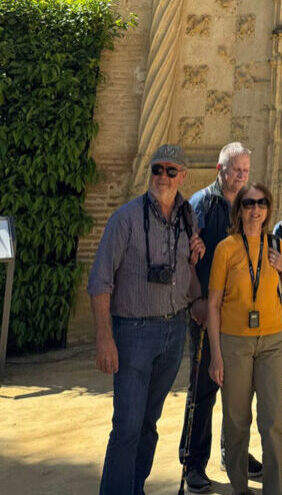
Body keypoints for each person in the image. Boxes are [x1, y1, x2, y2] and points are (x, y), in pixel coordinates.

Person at [88, 144, 205, 495]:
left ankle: (133, 487)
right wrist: (104, 337)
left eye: (171, 171)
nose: (163, 177)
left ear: (183, 176)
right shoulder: (125, 218)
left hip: (173, 331)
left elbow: (185, 271)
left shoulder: (187, 218)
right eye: (158, 169)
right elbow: (100, 279)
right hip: (133, 333)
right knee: (126, 425)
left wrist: (198, 296)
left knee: (149, 423)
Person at [180, 142, 263, 493]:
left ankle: (235, 454)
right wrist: (195, 300)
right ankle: (193, 464)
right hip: (206, 312)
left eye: (245, 169)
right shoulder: (200, 204)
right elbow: (186, 258)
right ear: (220, 169)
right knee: (203, 391)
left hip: (239, 315)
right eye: (236, 169)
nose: (241, 175)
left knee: (239, 390)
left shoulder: (248, 204)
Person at [207, 184, 282, 495]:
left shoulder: (275, 245)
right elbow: (214, 306)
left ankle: (274, 490)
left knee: (274, 421)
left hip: (272, 342)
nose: (255, 209)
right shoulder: (226, 248)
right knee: (236, 422)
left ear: (268, 209)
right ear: (239, 210)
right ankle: (239, 488)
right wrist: (216, 355)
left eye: (261, 203)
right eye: (248, 203)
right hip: (234, 344)